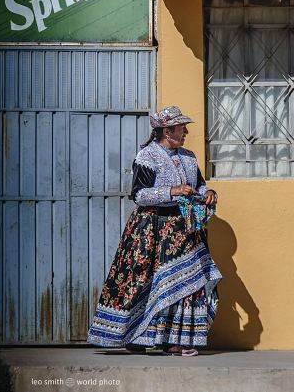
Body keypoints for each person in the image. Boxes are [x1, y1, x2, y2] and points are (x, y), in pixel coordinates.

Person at [86, 106, 222, 356]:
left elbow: (199, 186)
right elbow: (139, 194)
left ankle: (176, 340)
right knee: (145, 281)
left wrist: (209, 193)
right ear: (167, 131)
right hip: (152, 230)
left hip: (185, 230)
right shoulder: (146, 157)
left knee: (185, 284)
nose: (186, 132)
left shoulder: (190, 157)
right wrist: (172, 191)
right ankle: (139, 336)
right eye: (182, 128)